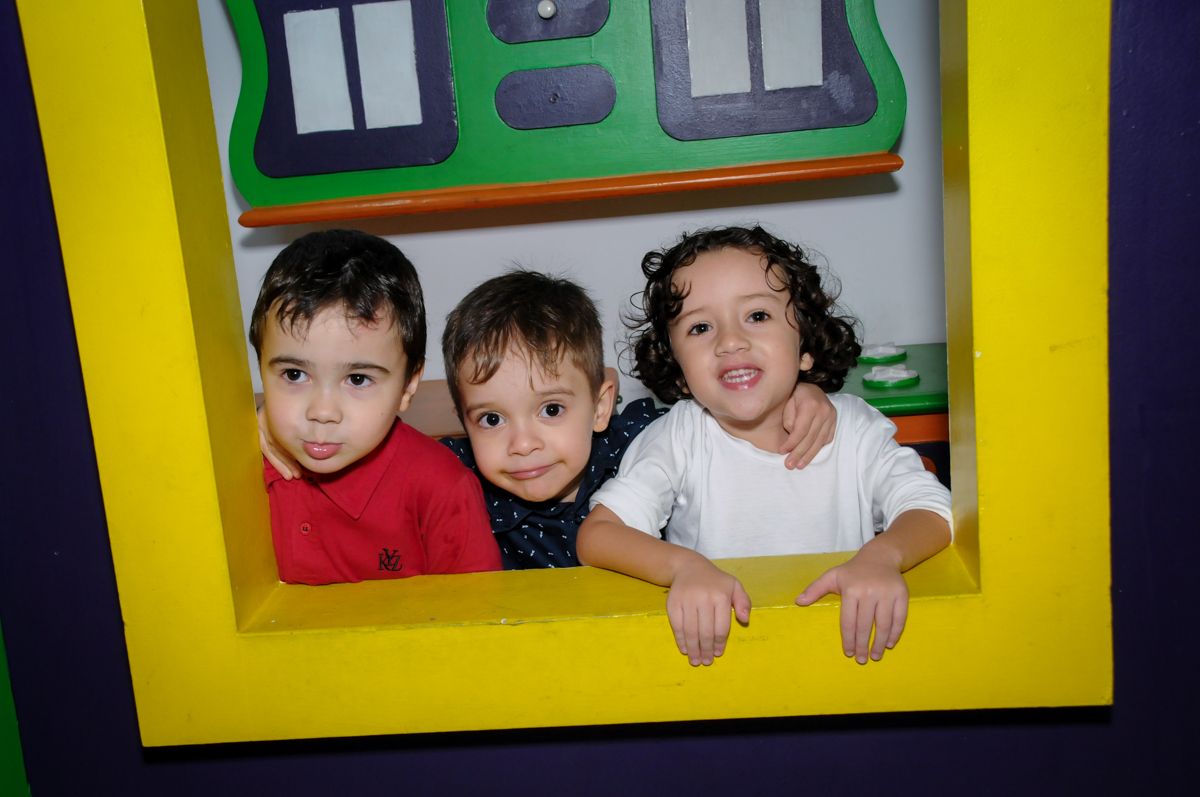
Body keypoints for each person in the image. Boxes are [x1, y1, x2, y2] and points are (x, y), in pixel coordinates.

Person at [576, 226, 953, 667]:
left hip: (846, 657)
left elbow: (936, 509)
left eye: (757, 315)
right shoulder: (680, 437)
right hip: (722, 663)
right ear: (679, 370)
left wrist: (883, 557)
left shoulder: (853, 428)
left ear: (805, 348)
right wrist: (683, 567)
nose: (730, 340)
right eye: (700, 327)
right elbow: (597, 537)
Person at [438, 270, 839, 570]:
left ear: (600, 407)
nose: (522, 444)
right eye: (491, 419)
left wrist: (799, 393)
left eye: (552, 410)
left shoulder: (638, 439)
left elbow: (720, 411)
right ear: (464, 420)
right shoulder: (452, 480)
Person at [251, 229, 501, 585]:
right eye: (294, 374)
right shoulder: (236, 456)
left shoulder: (443, 488)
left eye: (357, 379)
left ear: (408, 385)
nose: (322, 412)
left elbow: (479, 619)